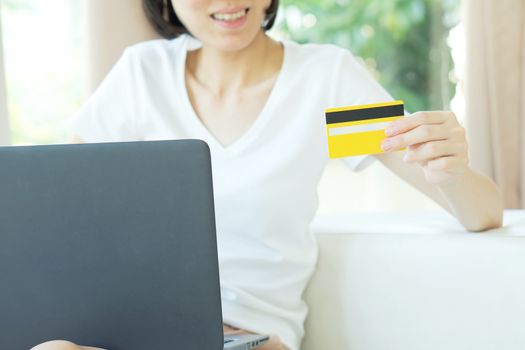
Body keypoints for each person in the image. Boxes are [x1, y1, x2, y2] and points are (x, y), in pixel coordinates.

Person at [32, 0, 504, 349]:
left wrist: (452, 170)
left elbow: (481, 213)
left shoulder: (324, 80)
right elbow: (58, 211)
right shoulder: (142, 76)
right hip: (135, 329)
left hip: (253, 337)